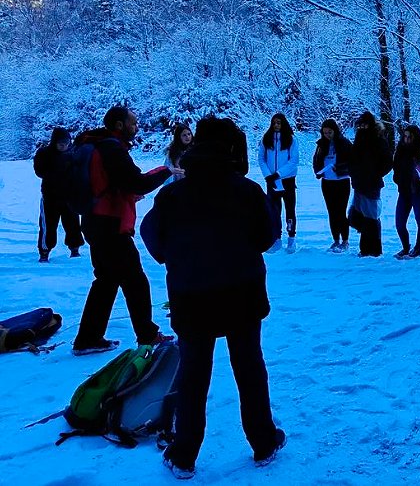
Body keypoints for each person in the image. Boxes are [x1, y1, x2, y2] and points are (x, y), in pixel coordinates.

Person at [141, 116, 285, 478]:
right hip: (242, 294)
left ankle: (184, 453)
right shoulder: (247, 190)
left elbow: (152, 237)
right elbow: (267, 236)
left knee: (193, 374)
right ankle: (264, 441)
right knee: (250, 368)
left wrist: (178, 257)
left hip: (192, 298)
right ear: (231, 148)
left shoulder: (173, 194)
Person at [72, 106, 180, 356]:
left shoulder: (96, 144)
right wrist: (166, 171)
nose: (137, 126)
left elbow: (115, 183)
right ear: (119, 125)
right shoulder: (111, 148)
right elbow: (136, 181)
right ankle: (148, 335)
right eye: (133, 123)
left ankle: (88, 338)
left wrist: (129, 193)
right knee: (135, 280)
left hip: (94, 219)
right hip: (109, 224)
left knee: (106, 280)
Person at [33, 127, 85, 263]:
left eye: (66, 142)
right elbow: (39, 171)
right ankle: (44, 252)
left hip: (69, 196)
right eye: (61, 143)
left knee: (73, 224)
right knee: (48, 226)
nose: (64, 145)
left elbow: (79, 172)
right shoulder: (44, 153)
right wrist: (57, 169)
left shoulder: (73, 154)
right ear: (54, 142)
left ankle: (75, 249)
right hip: (50, 197)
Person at [348, 111, 393, 257]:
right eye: (360, 125)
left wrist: (374, 173)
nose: (362, 127)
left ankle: (374, 249)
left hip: (372, 184)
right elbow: (353, 161)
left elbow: (387, 162)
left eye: (364, 125)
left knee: (372, 217)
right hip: (359, 183)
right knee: (362, 216)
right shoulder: (359, 140)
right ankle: (365, 248)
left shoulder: (378, 141)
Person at [257, 113, 299, 254]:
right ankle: (276, 238)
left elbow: (293, 161)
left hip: (287, 179)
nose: (276, 125)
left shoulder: (291, 140)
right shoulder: (266, 139)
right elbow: (261, 158)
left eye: (279, 123)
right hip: (271, 181)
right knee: (273, 210)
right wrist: (268, 175)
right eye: (274, 123)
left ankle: (291, 238)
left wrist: (279, 173)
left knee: (289, 210)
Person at [312, 118, 353, 252]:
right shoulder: (321, 145)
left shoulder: (344, 143)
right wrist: (318, 172)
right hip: (327, 182)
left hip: (342, 181)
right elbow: (316, 160)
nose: (327, 135)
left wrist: (340, 168)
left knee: (341, 211)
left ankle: (345, 241)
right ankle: (335, 240)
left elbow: (352, 162)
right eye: (325, 133)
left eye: (330, 132)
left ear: (335, 131)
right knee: (331, 211)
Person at [392, 124, 420, 259]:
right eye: (405, 137)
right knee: (399, 222)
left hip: (419, 189)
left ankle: (417, 248)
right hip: (404, 190)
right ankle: (405, 247)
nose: (407, 139)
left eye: (410, 137)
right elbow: (396, 168)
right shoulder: (400, 151)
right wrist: (398, 179)